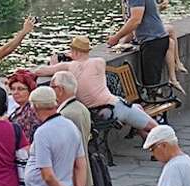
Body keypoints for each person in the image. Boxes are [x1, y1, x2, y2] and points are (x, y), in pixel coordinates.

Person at [32, 35, 160, 139]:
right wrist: (73, 57)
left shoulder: (68, 67)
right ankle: (154, 143)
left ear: (74, 51)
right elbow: (84, 64)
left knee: (139, 109)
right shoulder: (99, 62)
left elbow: (39, 71)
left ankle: (149, 140)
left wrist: (54, 65)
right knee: (154, 126)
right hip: (114, 106)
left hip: (99, 112)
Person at [106, 0, 172, 95]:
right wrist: (123, 40)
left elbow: (135, 20)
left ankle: (158, 112)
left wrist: (116, 37)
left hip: (153, 41)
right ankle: (157, 110)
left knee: (151, 83)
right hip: (155, 40)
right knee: (151, 80)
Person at [132, 0, 186, 83]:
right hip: (143, 36)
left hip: (147, 35)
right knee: (170, 31)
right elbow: (137, 18)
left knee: (170, 42)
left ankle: (174, 74)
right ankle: (176, 67)